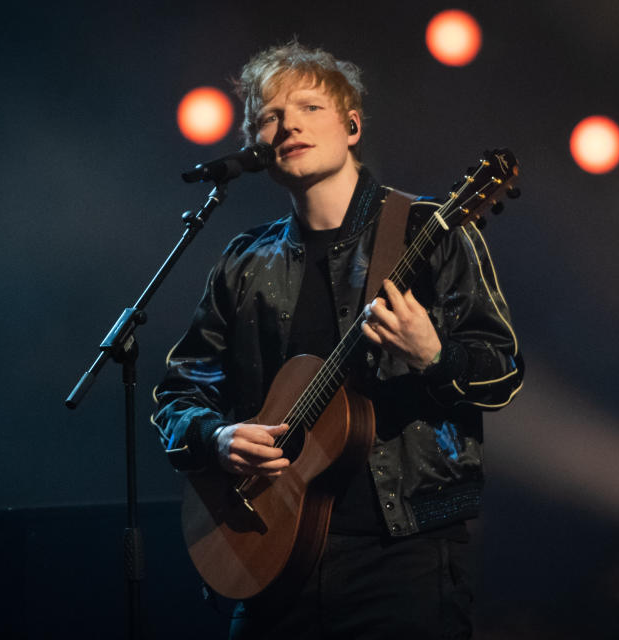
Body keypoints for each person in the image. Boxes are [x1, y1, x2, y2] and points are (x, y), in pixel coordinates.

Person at [154, 41, 523, 640]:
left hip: (401, 554)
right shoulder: (244, 261)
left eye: (308, 107)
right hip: (267, 552)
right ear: (258, 146)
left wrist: (434, 355)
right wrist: (217, 436)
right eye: (269, 116)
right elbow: (178, 392)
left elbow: (503, 371)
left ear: (352, 125)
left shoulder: (430, 232)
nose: (288, 123)